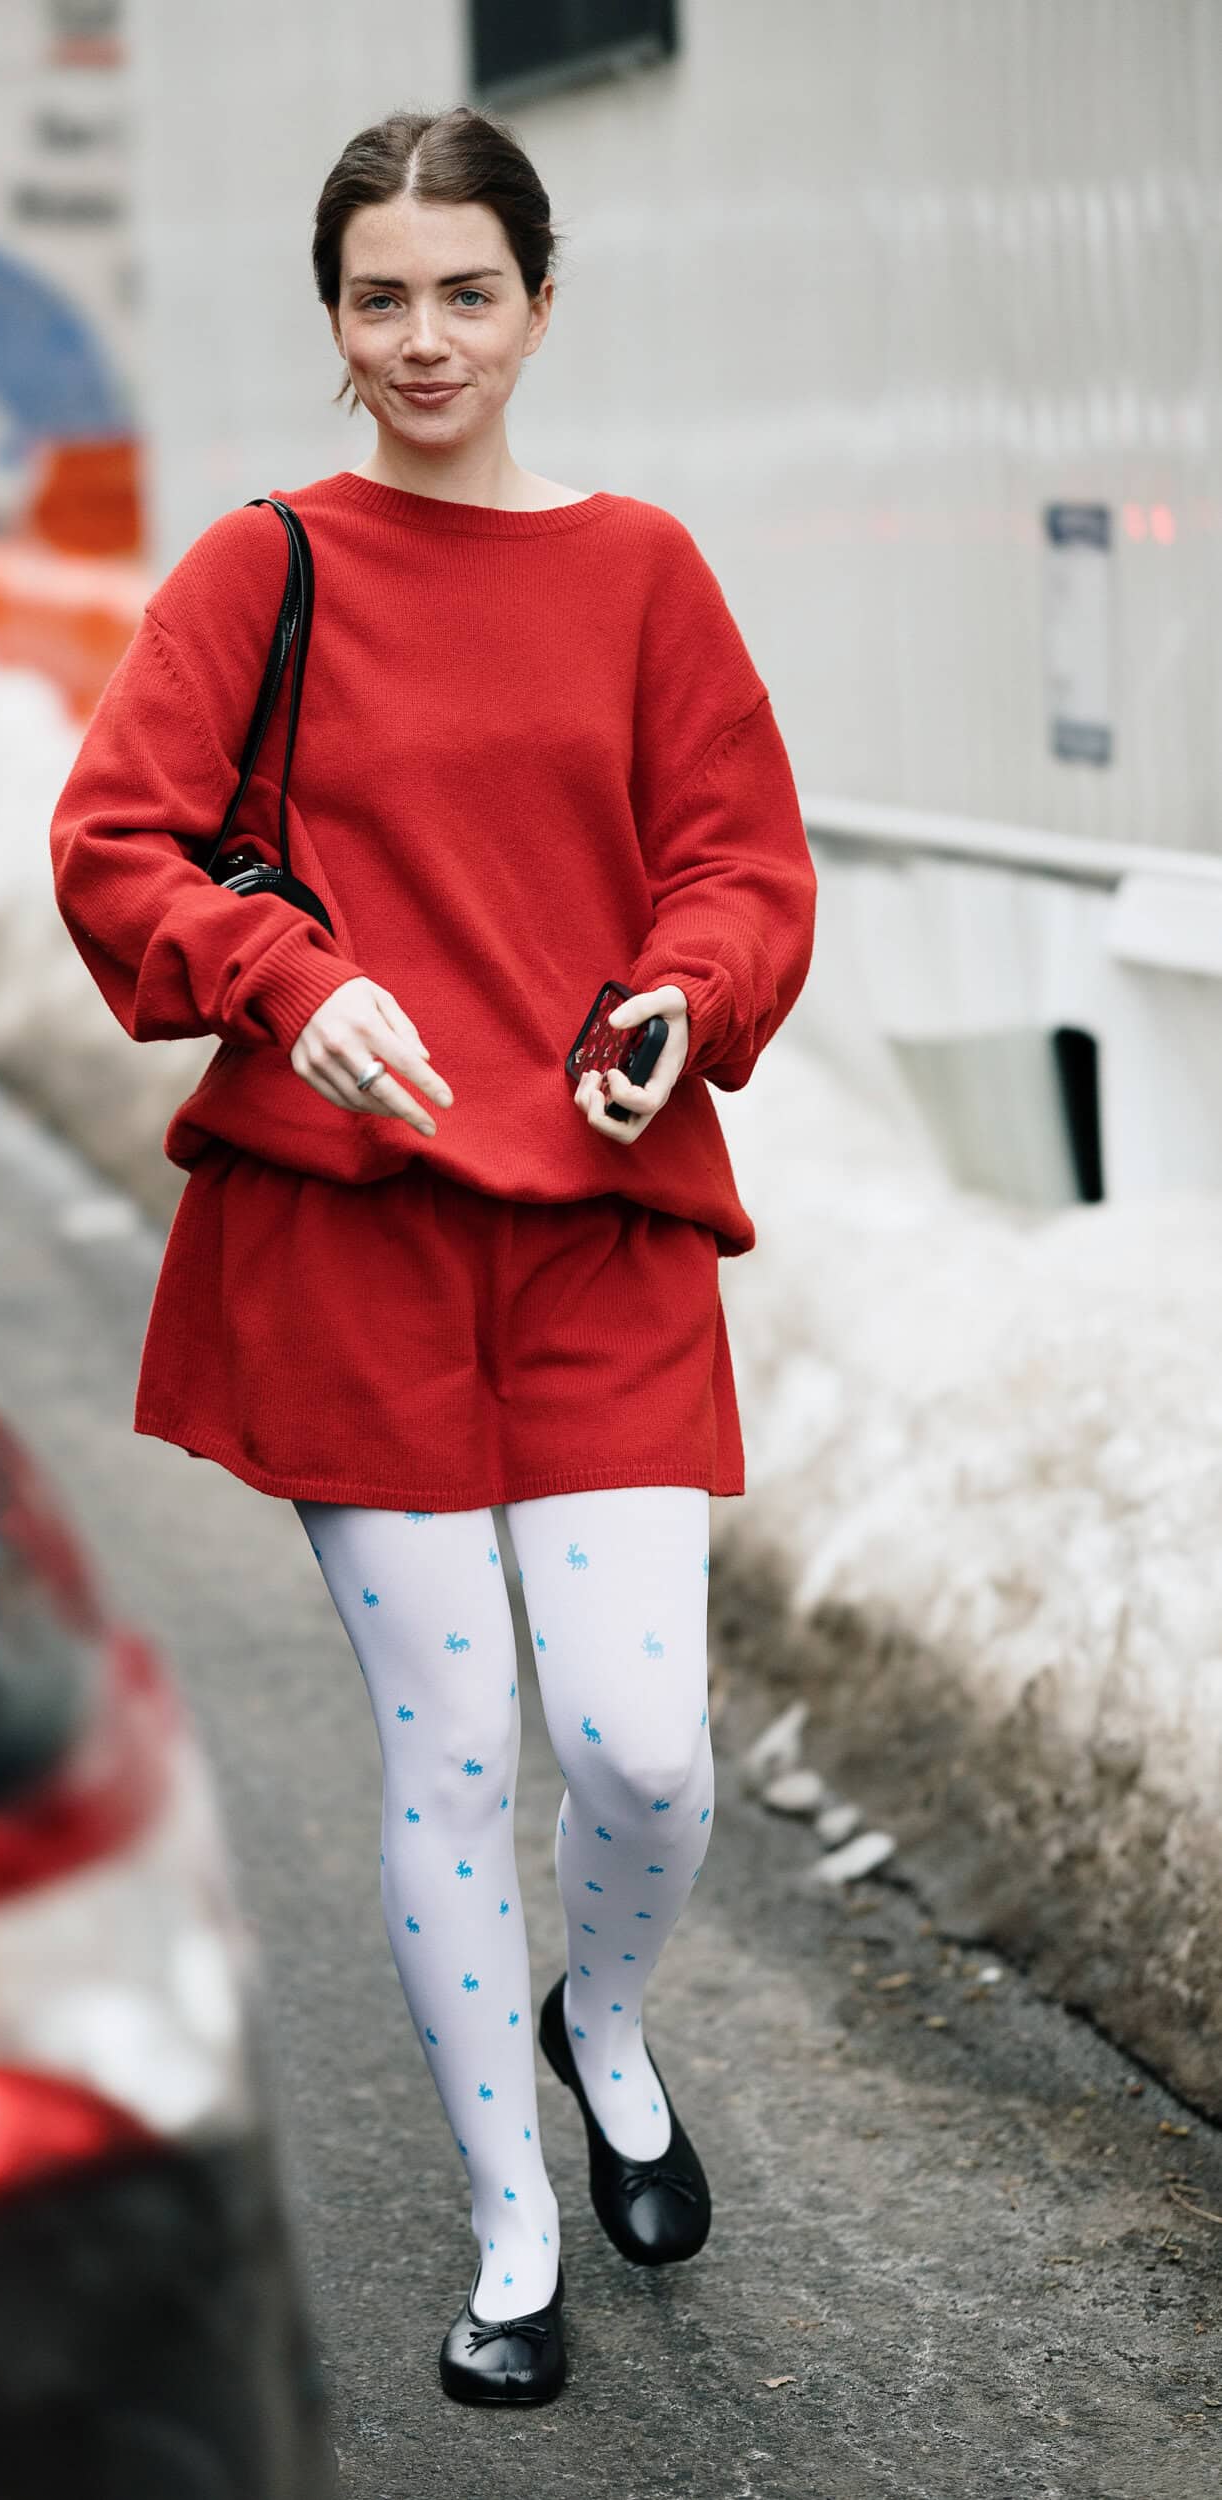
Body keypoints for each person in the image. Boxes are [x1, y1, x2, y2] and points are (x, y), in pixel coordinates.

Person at [49, 103, 817, 2409]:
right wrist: (285, 979)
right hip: (351, 1247)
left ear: (540, 305)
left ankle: (607, 2019)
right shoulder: (260, 568)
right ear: (334, 316)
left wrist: (681, 996)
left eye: (467, 290)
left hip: (598, 1237)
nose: (423, 335)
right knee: (454, 1741)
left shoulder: (646, 570)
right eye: (379, 295)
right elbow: (115, 842)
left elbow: (742, 865)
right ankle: (511, 2225)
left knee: (643, 1749)